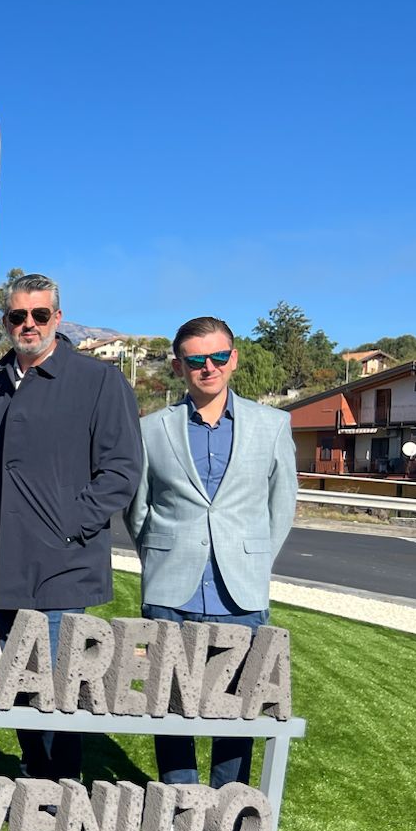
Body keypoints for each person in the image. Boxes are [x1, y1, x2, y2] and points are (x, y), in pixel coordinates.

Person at [0, 272, 142, 782]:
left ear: (58, 317)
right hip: (5, 565)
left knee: (55, 689)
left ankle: (61, 791)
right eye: (18, 315)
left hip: (61, 567)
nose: (28, 324)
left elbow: (122, 471)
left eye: (40, 314)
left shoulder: (98, 381)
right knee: (21, 684)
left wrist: (69, 525)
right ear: (6, 321)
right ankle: (36, 778)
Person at [126, 315, 297, 787]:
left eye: (218, 356)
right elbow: (138, 510)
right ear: (178, 367)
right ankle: (177, 805)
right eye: (196, 359)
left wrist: (251, 560)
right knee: (169, 710)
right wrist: (163, 555)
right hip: (170, 592)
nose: (209, 367)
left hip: (240, 595)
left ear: (233, 359)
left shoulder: (272, 425)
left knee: (238, 714)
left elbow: (281, 507)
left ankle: (227, 808)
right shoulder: (151, 429)